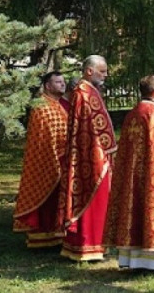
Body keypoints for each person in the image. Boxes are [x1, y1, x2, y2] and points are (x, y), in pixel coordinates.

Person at [104, 75, 154, 271]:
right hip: (153, 176)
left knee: (132, 210)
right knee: (152, 209)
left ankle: (133, 260)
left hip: (132, 177)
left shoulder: (132, 114)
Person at [60, 55, 116, 261]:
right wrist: (105, 150)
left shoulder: (88, 91)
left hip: (95, 153)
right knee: (93, 197)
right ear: (89, 71)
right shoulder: (84, 93)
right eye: (102, 71)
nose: (105, 75)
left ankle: (96, 244)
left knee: (99, 201)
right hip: (92, 155)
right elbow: (90, 128)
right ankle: (88, 246)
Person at [12, 72, 69, 248]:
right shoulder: (41, 106)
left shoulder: (60, 105)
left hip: (63, 158)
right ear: (47, 86)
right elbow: (42, 137)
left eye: (63, 81)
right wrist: (53, 157)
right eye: (58, 82)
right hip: (47, 159)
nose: (62, 84)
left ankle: (57, 234)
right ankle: (42, 237)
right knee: (47, 197)